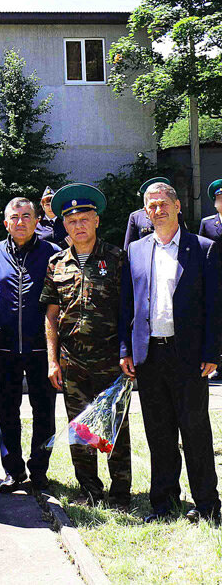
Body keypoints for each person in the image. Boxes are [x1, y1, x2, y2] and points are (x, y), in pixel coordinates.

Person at [120, 181, 222, 524]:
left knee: (195, 431)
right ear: (144, 213)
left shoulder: (203, 248)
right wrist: (126, 349)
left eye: (163, 204)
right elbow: (127, 305)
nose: (158, 211)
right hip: (149, 357)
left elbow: (214, 306)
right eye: (151, 206)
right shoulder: (135, 250)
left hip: (189, 356)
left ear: (177, 206)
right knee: (158, 432)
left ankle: (207, 503)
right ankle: (163, 502)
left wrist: (212, 352)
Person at [41, 183, 131, 509]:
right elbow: (50, 316)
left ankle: (121, 493)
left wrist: (126, 352)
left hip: (110, 361)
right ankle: (90, 491)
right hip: (72, 362)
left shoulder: (118, 259)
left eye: (84, 219)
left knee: (114, 430)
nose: (78, 226)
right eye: (71, 221)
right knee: (82, 432)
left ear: (96, 221)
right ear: (64, 225)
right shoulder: (56, 264)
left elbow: (128, 312)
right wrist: (53, 361)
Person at [0, 198, 59, 493]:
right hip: (4, 348)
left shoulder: (52, 253)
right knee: (7, 410)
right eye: (14, 217)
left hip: (41, 348)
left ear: (37, 219)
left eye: (27, 216)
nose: (20, 221)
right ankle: (13, 470)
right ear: (5, 223)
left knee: (44, 412)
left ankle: (39, 470)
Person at [124, 175, 185, 249]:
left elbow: (183, 236)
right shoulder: (136, 216)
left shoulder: (174, 212)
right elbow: (129, 246)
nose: (158, 211)